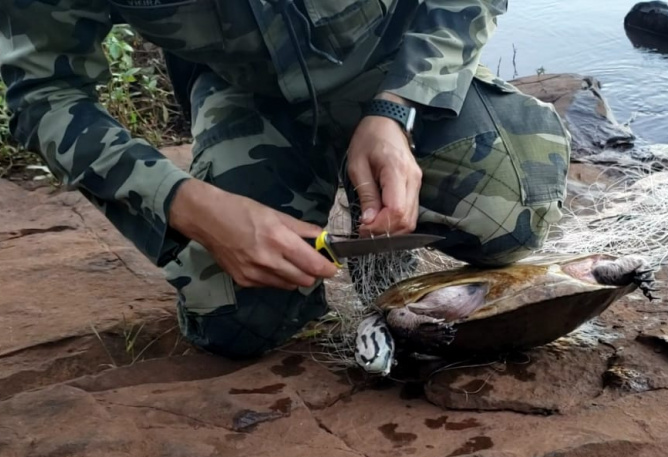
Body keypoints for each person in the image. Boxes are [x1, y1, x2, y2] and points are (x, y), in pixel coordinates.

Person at [0, 0, 571, 359]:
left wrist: (398, 109)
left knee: (508, 220)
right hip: (250, 95)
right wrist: (186, 203)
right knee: (237, 324)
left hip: (393, 65)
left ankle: (381, 160)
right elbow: (42, 96)